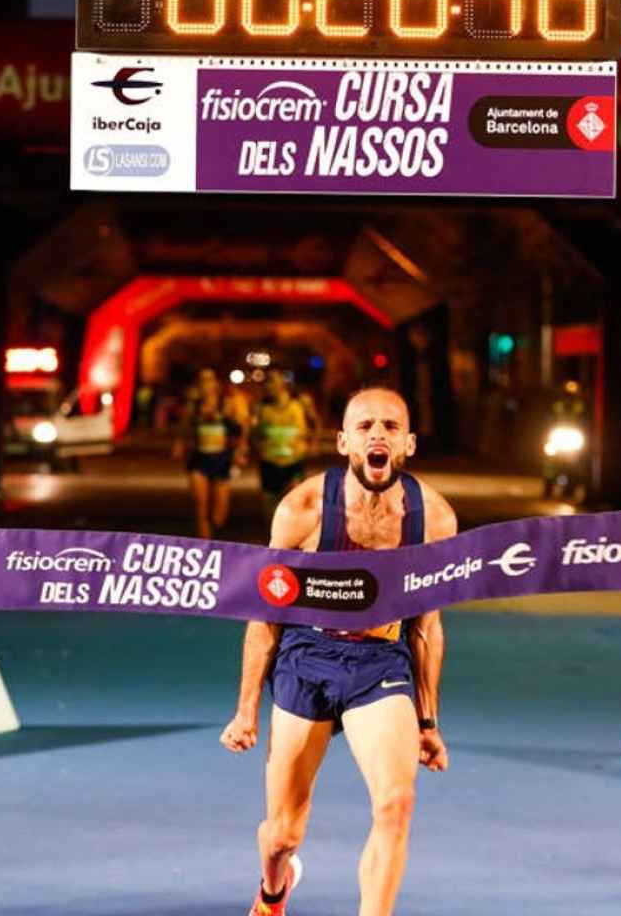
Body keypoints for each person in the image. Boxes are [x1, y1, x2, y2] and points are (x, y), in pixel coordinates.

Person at [220, 387, 456, 916]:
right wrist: (244, 712)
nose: (379, 434)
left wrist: (427, 719)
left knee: (396, 805)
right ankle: (274, 888)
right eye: (366, 426)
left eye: (391, 427)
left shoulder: (433, 518)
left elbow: (427, 625)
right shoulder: (302, 508)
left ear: (409, 444)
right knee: (282, 834)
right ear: (343, 441)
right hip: (307, 657)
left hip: (380, 665)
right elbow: (265, 615)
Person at [174, 367, 245, 539]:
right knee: (200, 508)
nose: (206, 384)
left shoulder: (225, 403)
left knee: (219, 516)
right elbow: (184, 428)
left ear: (216, 383)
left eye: (209, 379)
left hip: (221, 459)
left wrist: (240, 450)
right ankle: (205, 547)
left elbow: (238, 429)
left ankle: (214, 530)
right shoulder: (194, 405)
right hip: (200, 459)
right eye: (202, 380)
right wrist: (180, 444)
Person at [253, 370, 314, 522]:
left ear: (283, 382)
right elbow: (254, 432)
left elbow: (314, 423)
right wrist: (256, 447)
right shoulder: (261, 407)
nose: (268, 385)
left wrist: (312, 443)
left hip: (294, 462)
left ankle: (293, 541)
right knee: (271, 509)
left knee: (294, 505)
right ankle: (274, 542)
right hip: (269, 462)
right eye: (266, 381)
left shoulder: (300, 403)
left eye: (272, 380)